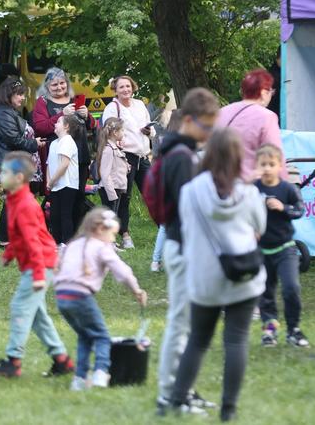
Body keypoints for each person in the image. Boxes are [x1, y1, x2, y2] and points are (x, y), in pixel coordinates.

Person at [171, 129, 267, 422]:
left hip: (205, 279)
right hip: (243, 277)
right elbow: (259, 227)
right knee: (236, 341)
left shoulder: (190, 191)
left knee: (198, 340)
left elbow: (186, 228)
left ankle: (177, 399)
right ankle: (229, 409)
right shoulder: (249, 192)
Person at [156, 88, 219, 416]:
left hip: (185, 244)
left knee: (188, 324)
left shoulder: (180, 152)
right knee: (179, 323)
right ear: (190, 120)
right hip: (184, 245)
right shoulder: (180, 157)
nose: (209, 133)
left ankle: (184, 388)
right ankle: (169, 393)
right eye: (206, 126)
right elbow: (188, 207)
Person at [0, 151, 73, 378]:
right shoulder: (15, 199)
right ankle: (61, 359)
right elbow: (19, 237)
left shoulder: (25, 204)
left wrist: (37, 276)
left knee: (20, 308)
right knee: (37, 316)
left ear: (18, 178)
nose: (0, 174)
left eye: (5, 172)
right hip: (40, 264)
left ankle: (13, 361)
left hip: (41, 265)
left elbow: (33, 242)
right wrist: (9, 254)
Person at [54, 207, 147, 391]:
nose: (113, 239)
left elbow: (57, 265)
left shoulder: (73, 244)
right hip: (80, 296)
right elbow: (121, 270)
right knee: (102, 337)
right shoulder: (100, 247)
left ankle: (80, 379)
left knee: (85, 336)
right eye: (112, 235)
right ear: (99, 230)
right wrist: (136, 290)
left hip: (61, 296)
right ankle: (101, 374)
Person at [254, 144, 309, 348]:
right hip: (261, 250)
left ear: (279, 166)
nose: (267, 168)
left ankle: (294, 330)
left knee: (291, 288)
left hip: (285, 248)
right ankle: (270, 330)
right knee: (265, 292)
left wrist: (282, 207)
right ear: (257, 166)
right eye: (263, 164)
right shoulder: (253, 189)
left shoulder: (288, 188)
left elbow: (299, 211)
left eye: (272, 164)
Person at [0, 78, 44, 246]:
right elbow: (13, 139)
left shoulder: (6, 111)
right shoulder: (2, 113)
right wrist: (34, 144)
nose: (22, 98)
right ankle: (6, 239)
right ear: (9, 95)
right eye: (19, 94)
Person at [101, 75, 155, 249]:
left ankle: (165, 229)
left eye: (128, 86)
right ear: (115, 90)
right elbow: (107, 130)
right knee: (124, 196)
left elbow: (152, 129)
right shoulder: (113, 107)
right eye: (121, 87)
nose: (126, 90)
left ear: (133, 87)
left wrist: (148, 131)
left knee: (153, 192)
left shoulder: (139, 104)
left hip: (143, 155)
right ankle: (124, 234)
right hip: (124, 157)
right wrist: (118, 143)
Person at [32, 67, 95, 195]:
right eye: (54, 84)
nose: (59, 87)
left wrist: (87, 116)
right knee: (60, 194)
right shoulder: (43, 102)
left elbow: (92, 125)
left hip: (80, 154)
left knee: (79, 193)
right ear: (47, 86)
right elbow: (40, 127)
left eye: (62, 83)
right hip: (58, 156)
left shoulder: (74, 100)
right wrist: (62, 114)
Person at [216, 68, 285, 183]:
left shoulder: (222, 112)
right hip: (249, 186)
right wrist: (284, 189)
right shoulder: (267, 116)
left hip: (219, 183)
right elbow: (276, 155)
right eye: (271, 92)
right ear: (263, 93)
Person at [150, 109, 182, 273]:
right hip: (177, 185)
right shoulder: (181, 140)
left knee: (164, 225)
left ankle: (156, 261)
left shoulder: (162, 139)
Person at [47, 115, 81, 246]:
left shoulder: (67, 140)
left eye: (58, 122)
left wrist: (52, 181)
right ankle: (56, 242)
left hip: (67, 184)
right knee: (55, 215)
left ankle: (67, 243)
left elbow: (64, 164)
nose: (55, 124)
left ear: (66, 126)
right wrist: (49, 181)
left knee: (65, 214)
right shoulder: (54, 143)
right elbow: (49, 164)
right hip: (56, 185)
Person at [95, 117, 128, 215]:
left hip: (116, 188)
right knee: (109, 221)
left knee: (112, 220)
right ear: (115, 132)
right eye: (122, 130)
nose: (123, 132)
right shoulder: (109, 150)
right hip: (110, 190)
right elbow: (105, 174)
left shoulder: (115, 148)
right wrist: (112, 194)